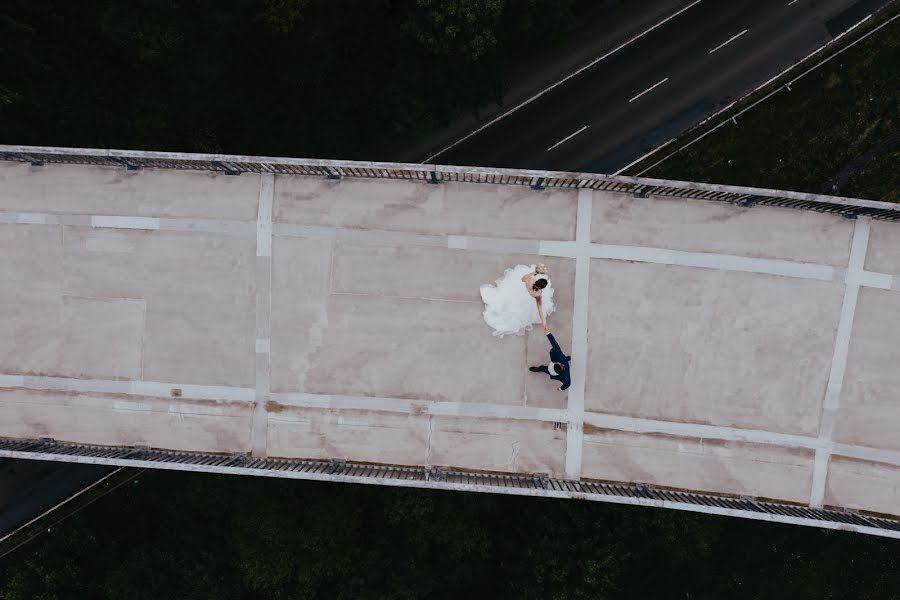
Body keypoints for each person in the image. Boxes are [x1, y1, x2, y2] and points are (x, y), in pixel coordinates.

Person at [479, 263, 555, 337]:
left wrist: (535, 272)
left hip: (518, 294)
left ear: (536, 281)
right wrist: (544, 323)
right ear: (541, 288)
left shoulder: (530, 280)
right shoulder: (538, 294)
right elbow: (539, 309)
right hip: (525, 303)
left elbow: (522, 278)